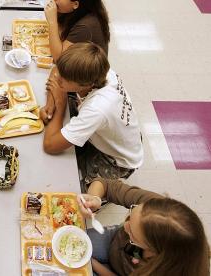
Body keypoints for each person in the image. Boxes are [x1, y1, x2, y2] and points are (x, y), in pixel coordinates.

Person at [42, 42, 143, 187]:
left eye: (64, 80)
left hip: (116, 159)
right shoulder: (98, 70)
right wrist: (50, 104)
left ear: (85, 84)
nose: (58, 80)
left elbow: (50, 145)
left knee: (72, 191)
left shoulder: (97, 109)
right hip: (117, 132)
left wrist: (59, 102)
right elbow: (56, 71)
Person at [78, 178, 210, 276]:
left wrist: (91, 263)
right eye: (131, 214)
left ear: (153, 252)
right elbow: (106, 184)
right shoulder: (157, 207)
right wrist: (95, 199)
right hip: (114, 244)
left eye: (132, 234)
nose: (125, 225)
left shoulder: (168, 270)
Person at [42, 0, 110, 122]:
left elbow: (59, 59)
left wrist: (52, 22)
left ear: (76, 4)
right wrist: (50, 103)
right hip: (80, 78)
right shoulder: (78, 12)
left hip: (83, 82)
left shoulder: (86, 26)